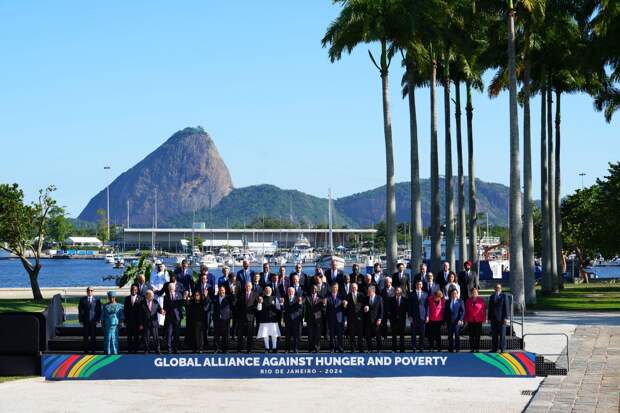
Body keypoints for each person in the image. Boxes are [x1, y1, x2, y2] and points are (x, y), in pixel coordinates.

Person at [256, 286, 281, 353]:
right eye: (266, 289)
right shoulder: (261, 298)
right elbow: (259, 309)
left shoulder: (275, 298)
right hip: (264, 320)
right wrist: (259, 303)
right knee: (265, 335)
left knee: (274, 335)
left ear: (271, 291)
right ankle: (267, 348)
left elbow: (279, 308)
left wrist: (281, 303)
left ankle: (274, 348)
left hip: (273, 319)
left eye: (269, 289)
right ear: (264, 291)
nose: (268, 291)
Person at [236, 282, 258, 353]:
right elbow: (237, 304)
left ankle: (249, 349)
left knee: (249, 335)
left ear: (251, 287)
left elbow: (256, 305)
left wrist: (253, 310)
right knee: (240, 335)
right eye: (246, 286)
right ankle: (239, 349)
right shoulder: (241, 294)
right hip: (241, 317)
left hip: (250, 317)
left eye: (249, 286)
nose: (248, 287)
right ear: (245, 287)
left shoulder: (255, 294)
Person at [78, 287, 101, 354]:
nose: (89, 291)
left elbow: (99, 310)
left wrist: (98, 319)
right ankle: (86, 351)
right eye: (88, 290)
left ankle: (93, 351)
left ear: (93, 291)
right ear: (86, 291)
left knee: (93, 336)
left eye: (91, 290)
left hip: (93, 321)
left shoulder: (97, 300)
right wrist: (80, 320)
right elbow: (80, 311)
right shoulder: (82, 300)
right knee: (85, 337)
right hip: (85, 321)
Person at [163, 283, 185, 354]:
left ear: (175, 288)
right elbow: (165, 307)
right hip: (169, 318)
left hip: (177, 318)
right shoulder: (166, 297)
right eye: (170, 287)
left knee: (177, 334)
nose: (171, 289)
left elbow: (182, 305)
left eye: (172, 287)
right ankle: (169, 349)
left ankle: (176, 349)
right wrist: (163, 311)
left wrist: (184, 298)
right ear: (168, 288)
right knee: (169, 334)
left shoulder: (179, 295)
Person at [140, 290, 163, 354]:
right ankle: (147, 350)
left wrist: (161, 311)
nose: (153, 297)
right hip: (146, 323)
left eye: (153, 296)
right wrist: (141, 324)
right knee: (146, 338)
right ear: (147, 296)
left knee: (156, 338)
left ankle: (158, 350)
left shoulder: (155, 302)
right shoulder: (142, 303)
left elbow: (159, 309)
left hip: (154, 323)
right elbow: (140, 314)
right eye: (151, 296)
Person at [488, 283, 509, 352]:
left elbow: (506, 307)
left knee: (502, 335)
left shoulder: (504, 296)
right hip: (493, 319)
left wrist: (506, 317)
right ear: (494, 289)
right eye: (496, 287)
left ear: (501, 289)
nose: (497, 289)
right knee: (494, 335)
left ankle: (502, 349)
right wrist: (489, 318)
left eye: (499, 287)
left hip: (502, 319)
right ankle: (494, 348)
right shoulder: (492, 296)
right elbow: (490, 308)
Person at [408, 280, 428, 352]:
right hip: (414, 316)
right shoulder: (411, 294)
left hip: (423, 316)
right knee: (413, 333)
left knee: (422, 333)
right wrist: (409, 316)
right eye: (417, 284)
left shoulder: (425, 294)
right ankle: (413, 347)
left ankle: (421, 347)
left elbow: (427, 306)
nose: (419, 286)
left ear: (422, 285)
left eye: (420, 284)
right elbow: (409, 306)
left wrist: (427, 316)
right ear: (415, 285)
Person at [464, 287, 486, 352]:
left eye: (475, 292)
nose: (474, 293)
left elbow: (483, 310)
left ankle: (477, 348)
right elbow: (466, 310)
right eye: (473, 292)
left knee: (477, 335)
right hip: (470, 320)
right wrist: (465, 319)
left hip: (478, 320)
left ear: (477, 293)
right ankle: (472, 348)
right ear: (471, 293)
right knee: (471, 335)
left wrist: (484, 318)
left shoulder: (481, 300)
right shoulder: (468, 300)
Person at [213, 285, 234, 353]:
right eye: (220, 290)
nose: (221, 291)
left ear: (224, 290)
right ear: (218, 291)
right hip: (217, 319)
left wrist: (232, 292)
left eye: (223, 290)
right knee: (217, 335)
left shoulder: (228, 297)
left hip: (226, 318)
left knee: (226, 335)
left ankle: (225, 349)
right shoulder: (215, 298)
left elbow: (234, 300)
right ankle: (217, 349)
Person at [325, 283, 345, 353]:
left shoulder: (341, 296)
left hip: (339, 318)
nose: (335, 289)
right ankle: (332, 348)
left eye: (336, 287)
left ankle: (340, 347)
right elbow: (325, 307)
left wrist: (345, 305)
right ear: (331, 288)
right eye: (333, 287)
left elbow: (344, 307)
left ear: (338, 288)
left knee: (340, 334)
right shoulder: (327, 296)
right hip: (331, 318)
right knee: (332, 334)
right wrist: (324, 303)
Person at [345, 282, 365, 352]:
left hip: (360, 318)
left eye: (355, 287)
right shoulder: (348, 296)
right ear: (350, 288)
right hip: (351, 318)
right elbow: (346, 307)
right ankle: (353, 349)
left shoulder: (362, 295)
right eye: (352, 287)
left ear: (357, 288)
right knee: (352, 334)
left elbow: (364, 305)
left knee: (360, 334)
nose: (353, 289)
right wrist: (345, 305)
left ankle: (361, 348)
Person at [282, 287, 304, 353]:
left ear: (294, 292)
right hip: (287, 320)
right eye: (289, 291)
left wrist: (300, 303)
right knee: (287, 336)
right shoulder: (284, 299)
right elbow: (282, 309)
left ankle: (295, 349)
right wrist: (281, 304)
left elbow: (301, 307)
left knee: (296, 336)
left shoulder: (298, 298)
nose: (290, 292)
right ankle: (287, 349)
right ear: (287, 292)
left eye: (292, 291)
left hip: (295, 320)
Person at [304, 284, 324, 353]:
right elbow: (304, 307)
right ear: (310, 289)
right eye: (312, 288)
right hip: (309, 318)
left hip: (318, 319)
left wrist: (324, 304)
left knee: (318, 335)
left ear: (317, 289)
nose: (314, 290)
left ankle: (317, 348)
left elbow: (323, 309)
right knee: (310, 334)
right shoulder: (307, 297)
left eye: (315, 288)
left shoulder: (321, 297)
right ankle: (310, 348)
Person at [444, 288, 465, 352]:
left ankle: (457, 348)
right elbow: (445, 312)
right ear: (450, 294)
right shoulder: (447, 301)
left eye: (455, 293)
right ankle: (450, 348)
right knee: (450, 336)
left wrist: (461, 319)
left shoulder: (460, 301)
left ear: (457, 294)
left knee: (457, 335)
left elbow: (463, 311)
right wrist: (445, 321)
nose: (454, 294)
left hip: (457, 322)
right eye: (452, 293)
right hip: (449, 321)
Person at [123, 284, 142, 353]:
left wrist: (141, 323)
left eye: (135, 290)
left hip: (137, 322)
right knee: (129, 337)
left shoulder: (141, 299)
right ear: (130, 290)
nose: (133, 291)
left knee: (136, 337)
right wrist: (125, 321)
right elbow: (125, 310)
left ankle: (136, 350)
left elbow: (141, 312)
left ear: (137, 291)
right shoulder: (127, 298)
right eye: (132, 289)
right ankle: (129, 350)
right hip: (129, 322)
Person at [364, 286, 383, 351]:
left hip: (376, 320)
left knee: (378, 336)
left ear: (373, 291)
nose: (368, 292)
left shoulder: (379, 298)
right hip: (368, 320)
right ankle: (370, 349)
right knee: (368, 336)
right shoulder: (366, 298)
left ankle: (379, 349)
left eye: (369, 291)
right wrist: (365, 308)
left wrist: (380, 319)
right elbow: (364, 307)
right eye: (368, 291)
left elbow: (381, 310)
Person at [390, 287, 408, 353]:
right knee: (394, 335)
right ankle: (394, 349)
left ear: (401, 292)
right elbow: (389, 310)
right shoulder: (391, 299)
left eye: (399, 291)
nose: (397, 292)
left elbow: (406, 309)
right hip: (394, 320)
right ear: (395, 291)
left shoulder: (405, 299)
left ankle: (402, 349)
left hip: (402, 320)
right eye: (396, 290)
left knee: (402, 335)